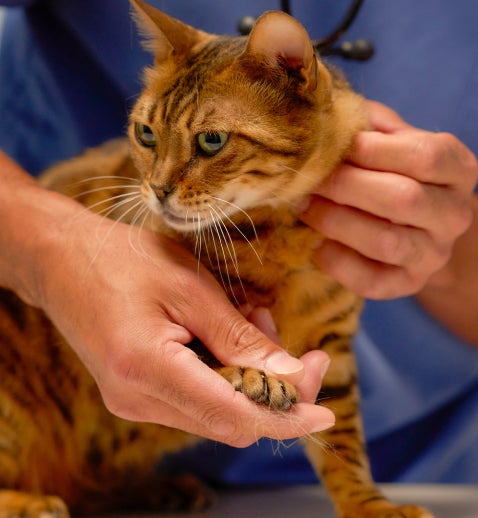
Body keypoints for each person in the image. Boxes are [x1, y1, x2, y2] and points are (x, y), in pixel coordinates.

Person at [0, 0, 477, 486]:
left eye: (209, 143)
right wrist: (43, 246)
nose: (162, 185)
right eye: (148, 134)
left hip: (429, 454)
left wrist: (447, 254)